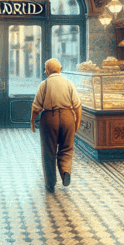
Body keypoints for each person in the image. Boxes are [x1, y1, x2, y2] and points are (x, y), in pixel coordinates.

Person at [30, 58, 82, 193]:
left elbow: (36, 107)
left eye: (45, 69)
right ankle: (65, 171)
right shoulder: (69, 83)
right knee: (67, 148)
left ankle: (50, 183)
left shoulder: (44, 84)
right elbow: (77, 106)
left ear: (47, 71)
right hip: (67, 117)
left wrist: (32, 121)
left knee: (48, 150)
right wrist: (77, 122)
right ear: (61, 69)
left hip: (49, 118)